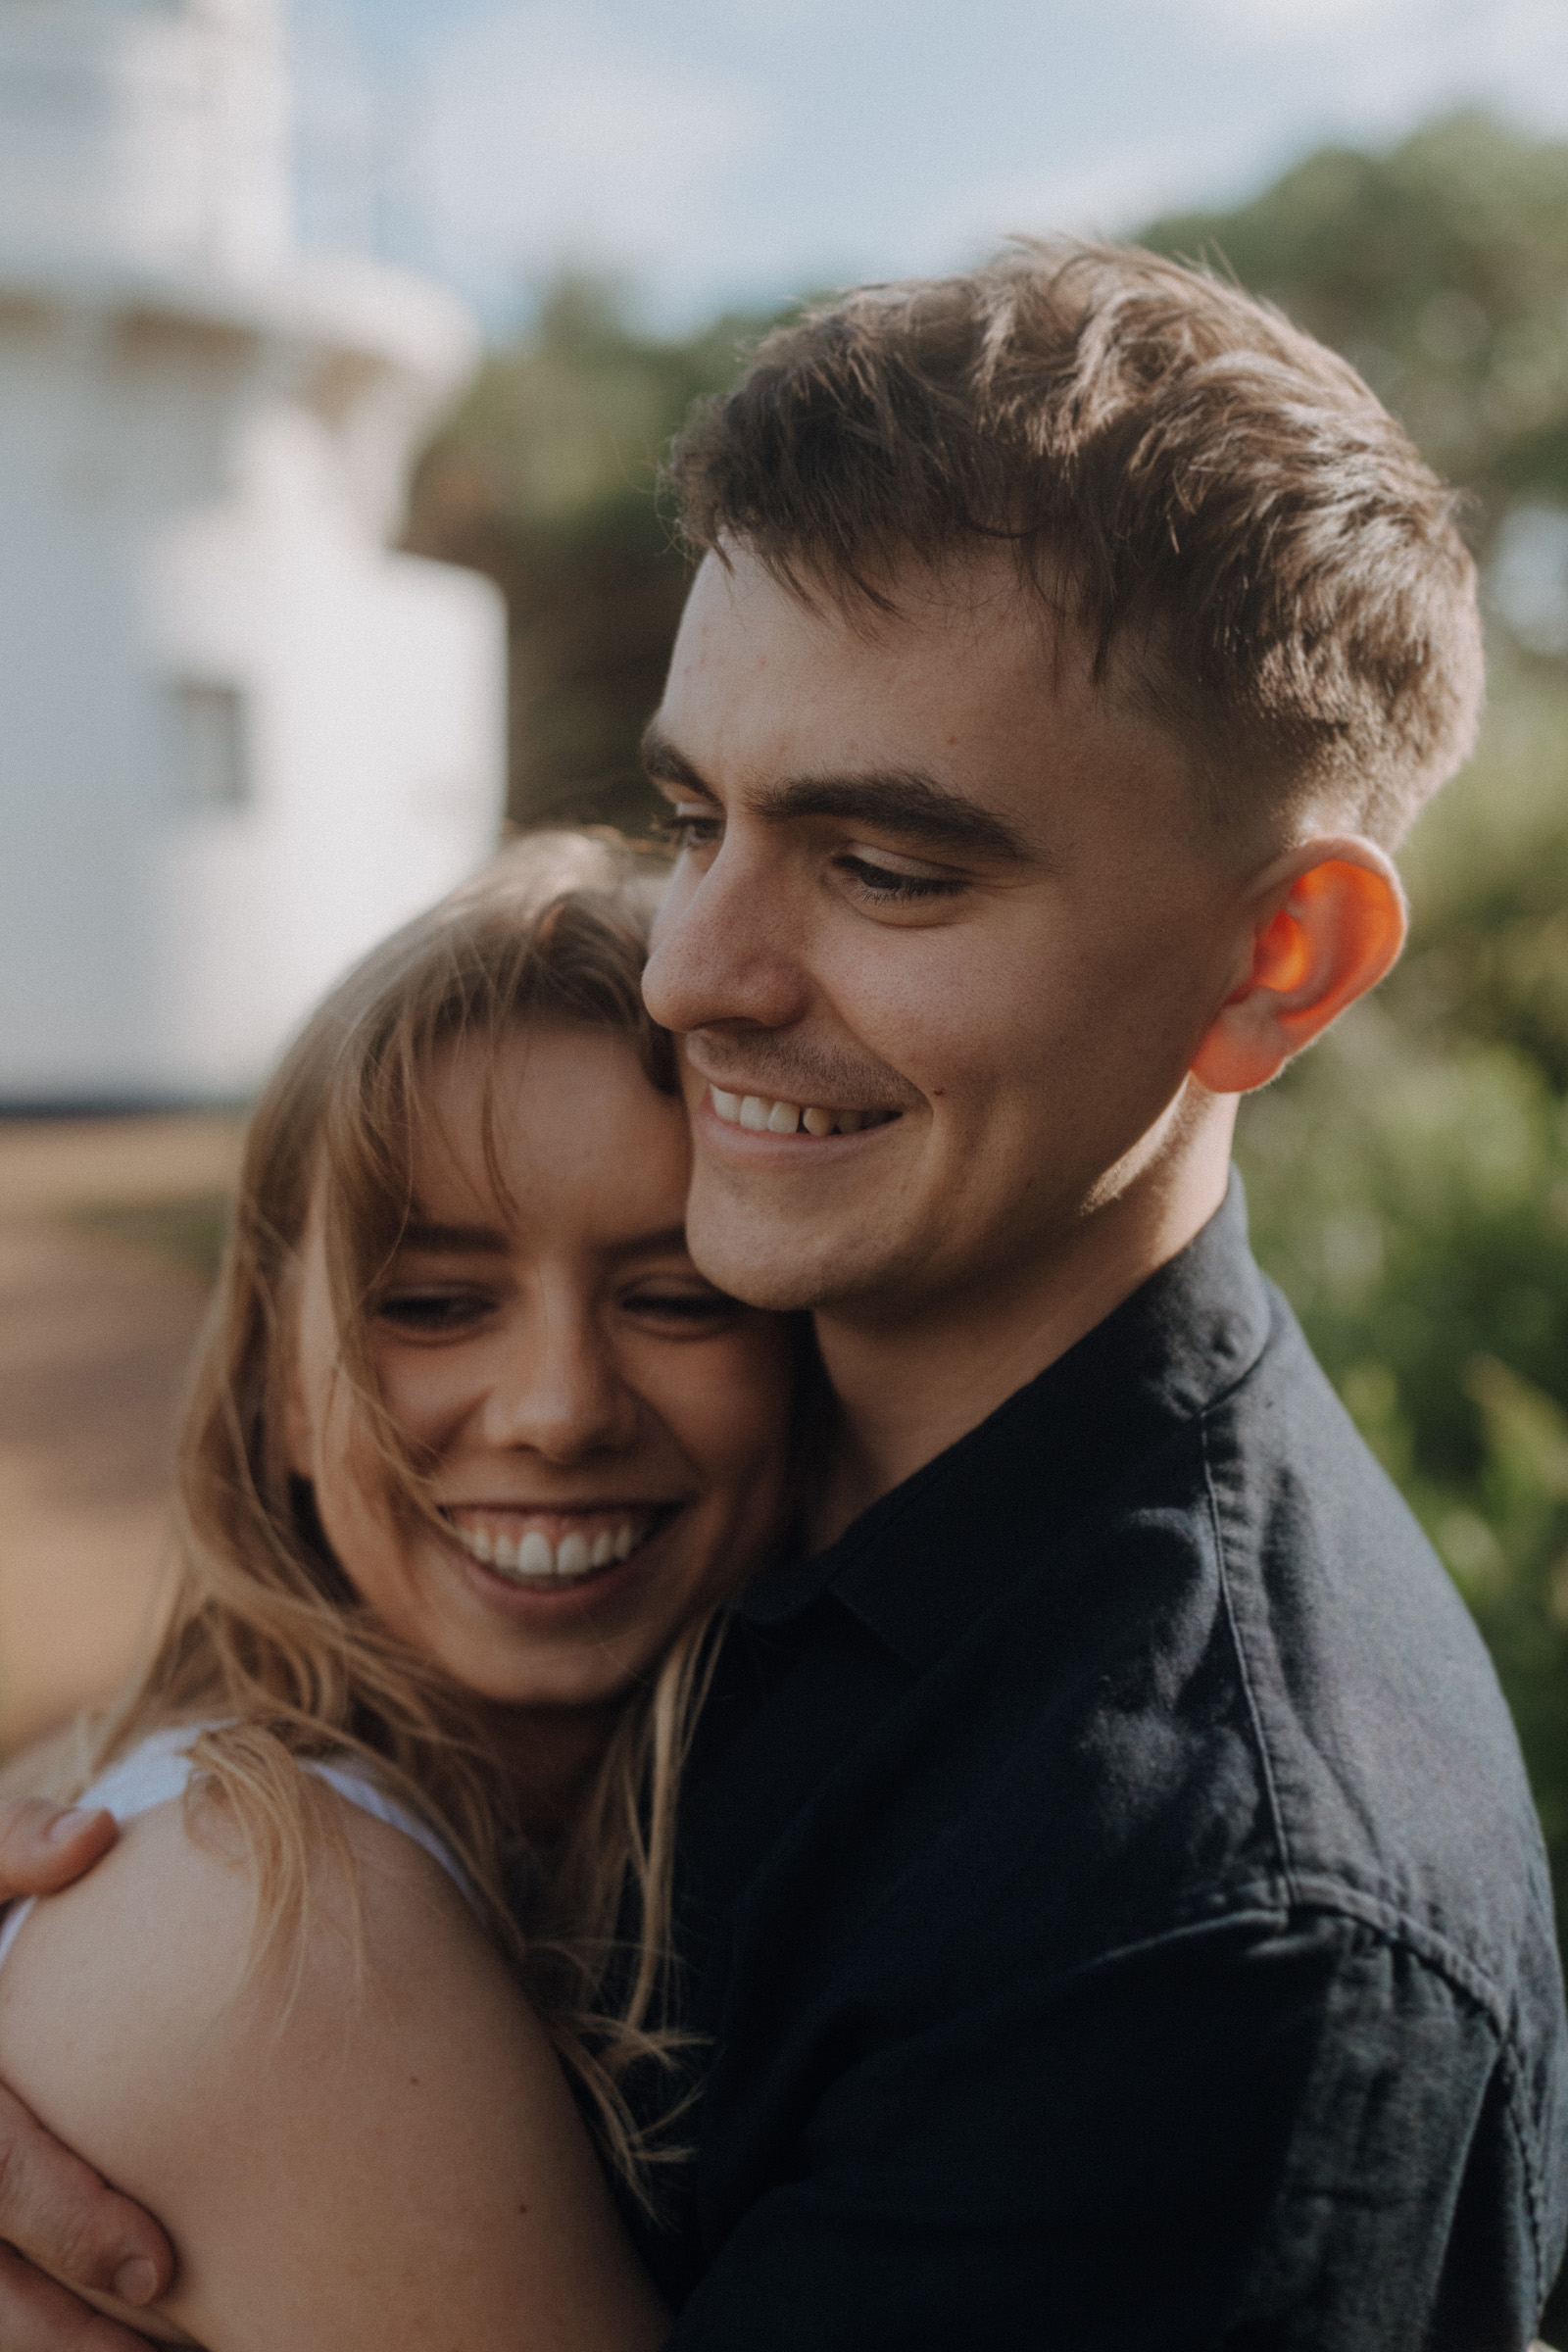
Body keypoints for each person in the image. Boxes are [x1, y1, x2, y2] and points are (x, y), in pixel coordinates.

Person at [3, 237, 1567, 2350]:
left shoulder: (1199, 1927)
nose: (691, 973)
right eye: (689, 818)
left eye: (886, 866)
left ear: (1273, 958)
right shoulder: (730, 1497)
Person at [0, 833, 798, 2348]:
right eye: (432, 1304)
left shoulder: (639, 1852)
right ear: (277, 1393)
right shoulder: (280, 1924)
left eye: (680, 1297)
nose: (558, 1410)